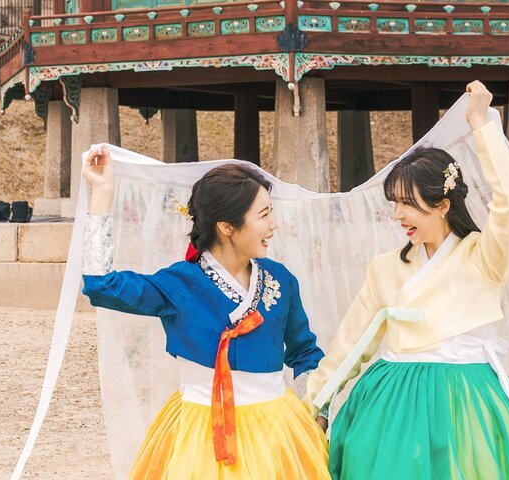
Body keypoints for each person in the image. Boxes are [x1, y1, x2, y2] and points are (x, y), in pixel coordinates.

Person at [304, 81, 509, 479]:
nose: (397, 215)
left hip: (468, 398)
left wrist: (480, 123)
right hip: (391, 400)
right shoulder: (386, 267)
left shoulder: (485, 256)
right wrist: (315, 404)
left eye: (408, 204)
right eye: (395, 203)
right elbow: (350, 344)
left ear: (443, 205)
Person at [81, 153, 330, 479]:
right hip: (199, 430)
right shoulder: (179, 283)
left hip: (277, 428)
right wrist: (102, 193)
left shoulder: (281, 279)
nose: (274, 225)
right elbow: (101, 286)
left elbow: (304, 352)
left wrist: (318, 410)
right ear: (227, 227)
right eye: (264, 215)